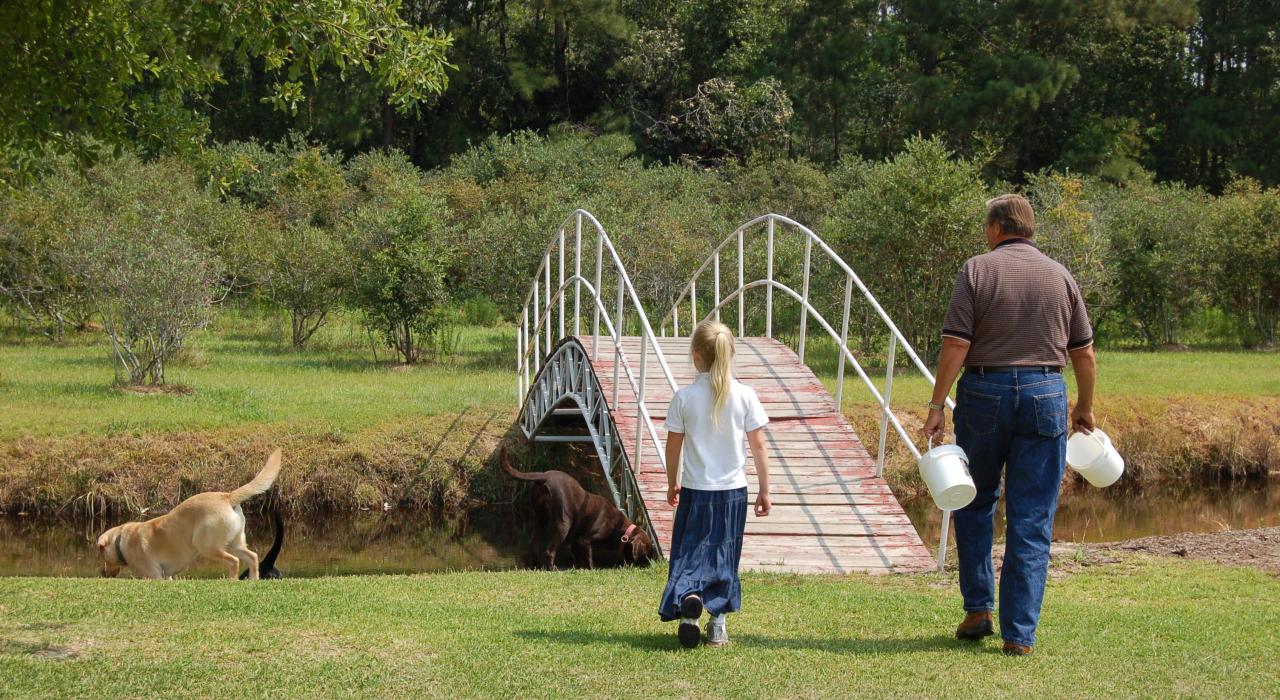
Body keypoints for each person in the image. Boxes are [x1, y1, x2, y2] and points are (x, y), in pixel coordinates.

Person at [923, 194, 1098, 657]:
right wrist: (1085, 406)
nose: (985, 233)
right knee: (1031, 517)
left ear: (998, 227)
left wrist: (937, 403)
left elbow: (956, 344)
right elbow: (1083, 352)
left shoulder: (976, 270)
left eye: (986, 225)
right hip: (1046, 393)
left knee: (974, 501)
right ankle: (1019, 634)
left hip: (985, 393)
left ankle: (979, 610)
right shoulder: (1061, 275)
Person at [659, 320, 771, 648]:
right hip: (733, 492)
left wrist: (671, 482)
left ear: (696, 356)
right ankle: (717, 624)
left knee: (689, 553)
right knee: (724, 556)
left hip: (696, 490)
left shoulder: (684, 397)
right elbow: (759, 446)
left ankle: (690, 603)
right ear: (730, 354)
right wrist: (765, 490)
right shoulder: (746, 396)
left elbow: (673, 446)